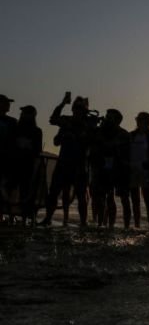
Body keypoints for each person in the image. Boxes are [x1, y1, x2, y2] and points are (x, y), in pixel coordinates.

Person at [39, 93, 96, 227]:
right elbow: (53, 120)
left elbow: (91, 142)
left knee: (81, 196)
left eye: (80, 109)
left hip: (79, 164)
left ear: (85, 111)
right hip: (63, 163)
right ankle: (48, 218)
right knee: (53, 193)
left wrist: (81, 135)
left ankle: (83, 222)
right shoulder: (67, 121)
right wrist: (63, 103)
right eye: (75, 108)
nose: (77, 111)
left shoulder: (88, 124)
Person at [88, 109, 130, 229]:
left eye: (110, 117)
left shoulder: (123, 134)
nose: (106, 119)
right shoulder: (100, 130)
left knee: (113, 198)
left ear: (117, 121)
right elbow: (90, 139)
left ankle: (111, 225)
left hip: (117, 170)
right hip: (101, 168)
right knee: (101, 197)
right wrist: (93, 124)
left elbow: (124, 152)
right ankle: (100, 223)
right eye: (106, 116)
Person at [125, 112, 149, 229]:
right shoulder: (131, 135)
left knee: (148, 200)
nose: (139, 122)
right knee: (135, 200)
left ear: (148, 122)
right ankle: (137, 225)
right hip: (132, 170)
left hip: (146, 171)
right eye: (138, 120)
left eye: (142, 120)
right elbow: (126, 152)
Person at [11, 106, 43, 226]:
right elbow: (10, 144)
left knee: (26, 192)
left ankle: (25, 217)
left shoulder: (36, 131)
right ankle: (11, 214)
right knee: (12, 190)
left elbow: (37, 150)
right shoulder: (15, 128)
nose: (24, 115)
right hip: (14, 164)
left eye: (27, 113)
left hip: (28, 165)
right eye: (24, 113)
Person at [0, 95, 17, 223]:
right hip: (6, 159)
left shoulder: (12, 122)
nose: (8, 105)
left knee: (5, 188)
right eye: (6, 103)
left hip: (7, 160)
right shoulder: (11, 122)